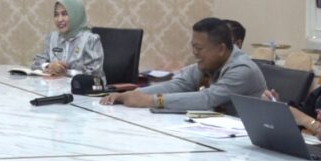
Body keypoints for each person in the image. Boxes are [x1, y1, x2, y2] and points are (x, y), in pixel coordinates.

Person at [100, 17, 266, 112]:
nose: (195, 53)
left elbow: (207, 99)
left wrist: (151, 100)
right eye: (193, 47)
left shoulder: (242, 69)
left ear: (221, 49)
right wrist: (129, 94)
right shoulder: (209, 63)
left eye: (199, 48)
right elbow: (179, 85)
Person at [31, 0, 104, 78]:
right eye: (56, 15)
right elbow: (35, 63)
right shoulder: (52, 38)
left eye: (64, 14)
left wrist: (65, 72)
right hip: (54, 84)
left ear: (76, 15)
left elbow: (95, 73)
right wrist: (48, 66)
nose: (59, 19)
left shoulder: (90, 40)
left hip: (81, 86)